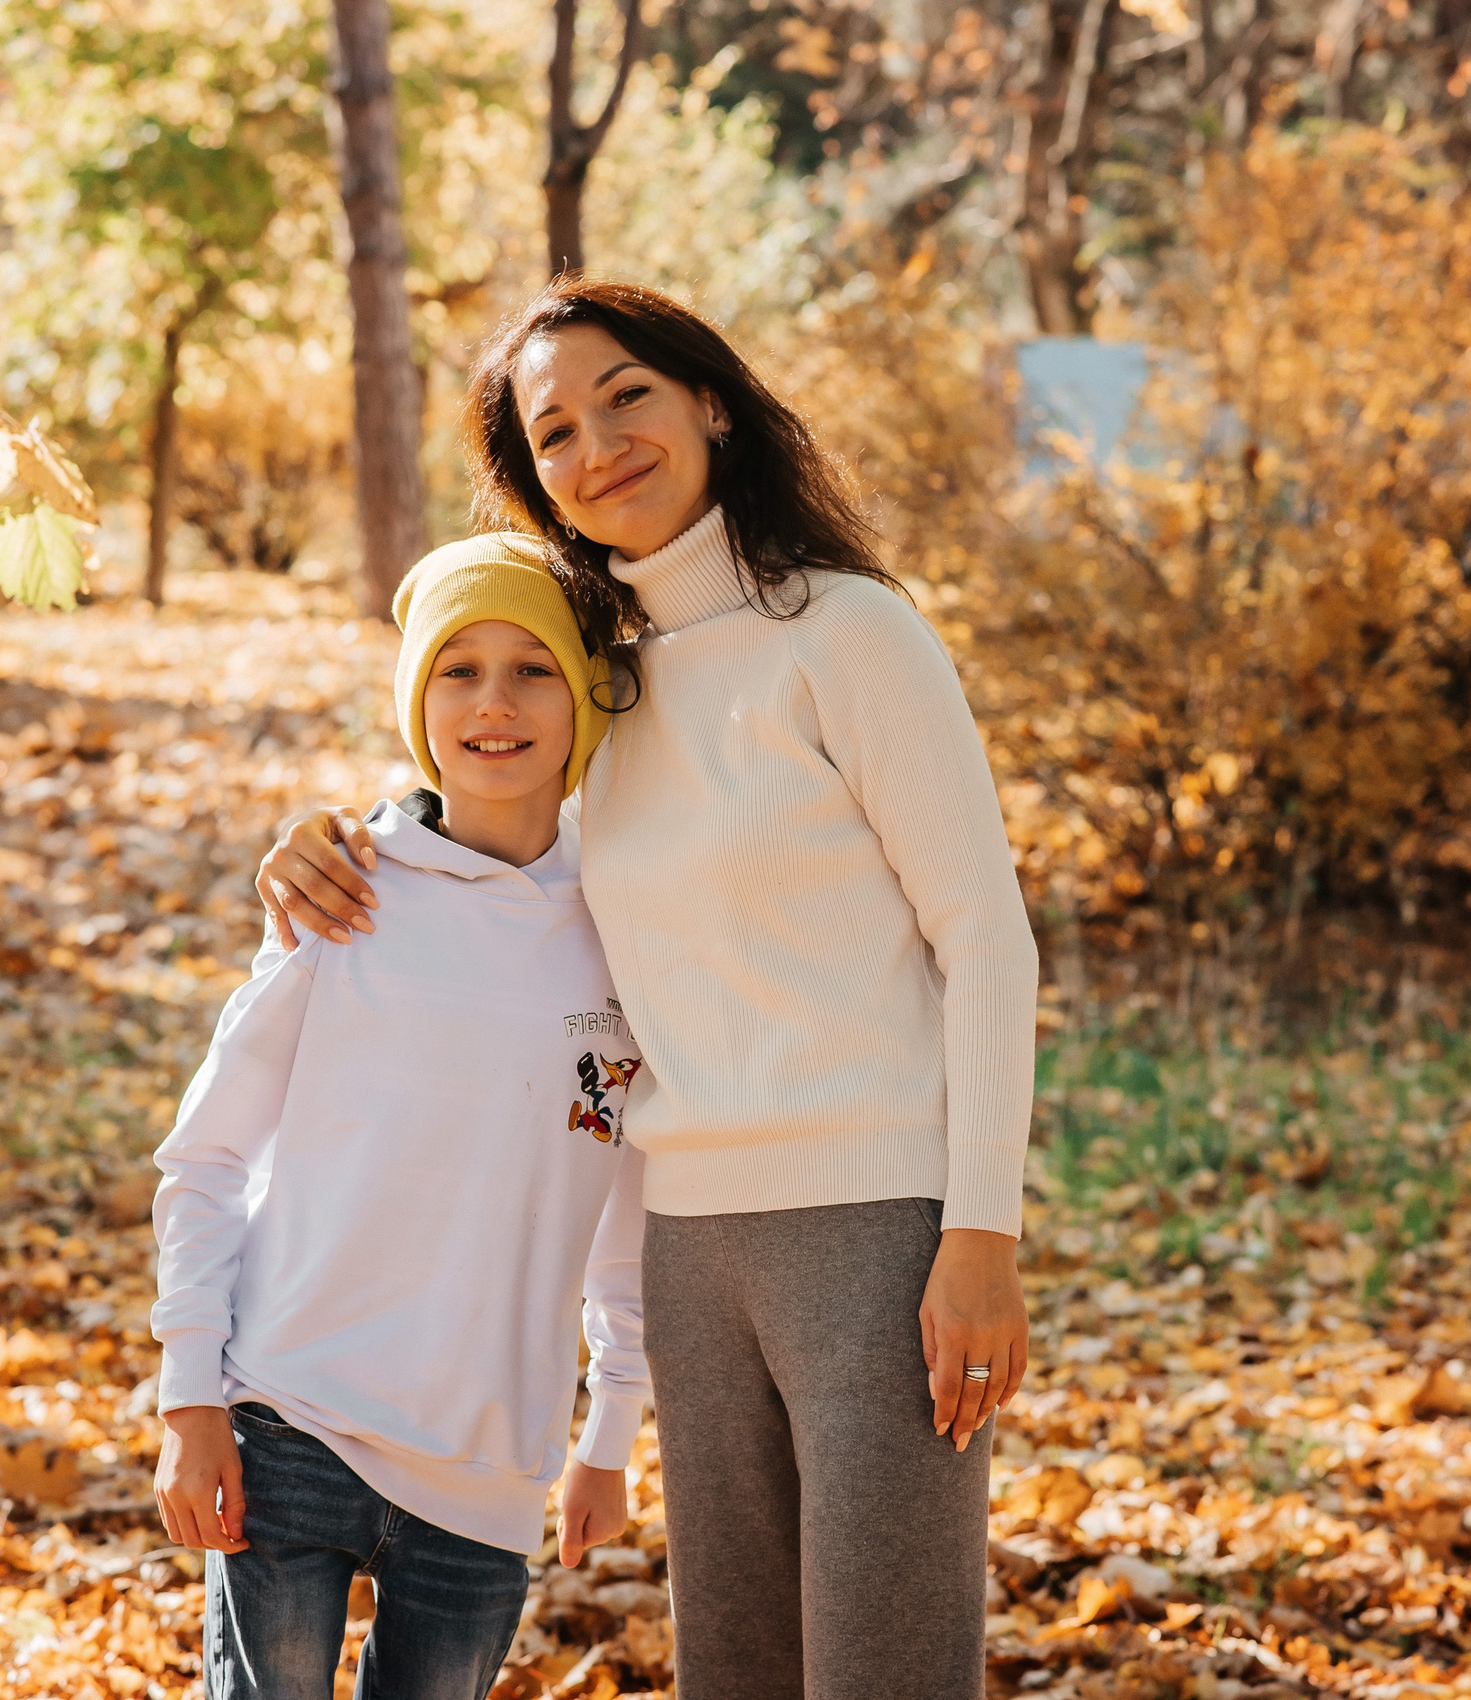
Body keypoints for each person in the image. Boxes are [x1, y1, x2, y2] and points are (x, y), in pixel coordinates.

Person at [256, 277, 1038, 1700]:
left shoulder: (846, 634)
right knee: (734, 1668)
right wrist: (329, 842)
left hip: (876, 1229)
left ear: (710, 404)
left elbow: (985, 933)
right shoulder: (603, 683)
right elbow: (489, 805)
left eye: (627, 397)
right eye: (554, 433)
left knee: (886, 1666)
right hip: (690, 1242)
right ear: (536, 483)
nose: (599, 444)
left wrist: (982, 1228)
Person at [151, 534, 650, 1700]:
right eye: (455, 669)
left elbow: (632, 1203)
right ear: (416, 700)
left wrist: (609, 1425)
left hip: (486, 1468)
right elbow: (209, 1152)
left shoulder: (630, 925)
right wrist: (188, 1395)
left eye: (531, 668)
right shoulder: (345, 888)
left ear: (582, 697)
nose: (493, 703)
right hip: (290, 1418)